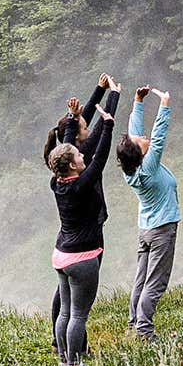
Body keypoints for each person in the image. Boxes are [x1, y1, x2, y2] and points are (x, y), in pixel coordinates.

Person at [43, 74, 119, 352]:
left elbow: (67, 144)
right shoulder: (81, 181)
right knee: (77, 313)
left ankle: (62, 353)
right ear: (74, 163)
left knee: (65, 309)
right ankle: (75, 361)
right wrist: (112, 103)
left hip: (61, 251)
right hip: (83, 252)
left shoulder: (57, 180)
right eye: (78, 157)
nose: (81, 156)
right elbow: (98, 156)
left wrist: (75, 116)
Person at [116, 85, 180, 341]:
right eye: (141, 141)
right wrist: (164, 105)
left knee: (141, 279)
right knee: (156, 281)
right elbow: (159, 134)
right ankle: (144, 329)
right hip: (162, 229)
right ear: (142, 152)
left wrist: (138, 101)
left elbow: (135, 134)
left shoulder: (131, 169)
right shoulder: (149, 167)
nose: (144, 137)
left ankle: (134, 323)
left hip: (146, 229)